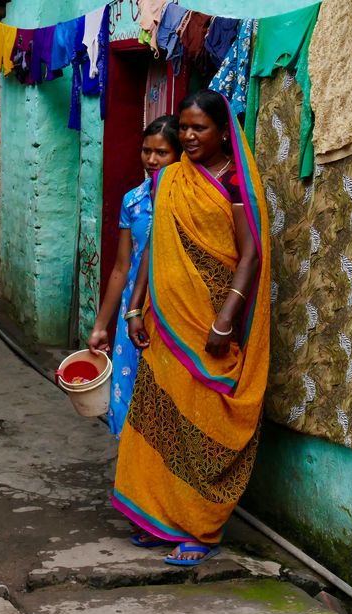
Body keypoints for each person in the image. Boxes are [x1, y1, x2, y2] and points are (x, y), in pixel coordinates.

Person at [116, 90, 271, 565]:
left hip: (209, 325)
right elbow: (154, 252)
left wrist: (225, 319)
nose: (187, 136)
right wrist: (135, 309)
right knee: (159, 417)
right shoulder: (169, 180)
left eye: (198, 128)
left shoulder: (235, 184)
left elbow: (250, 254)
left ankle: (201, 528)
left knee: (204, 422)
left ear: (223, 131)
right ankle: (160, 515)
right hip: (165, 323)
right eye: (182, 127)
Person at [87, 115, 181, 440]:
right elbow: (121, 267)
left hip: (174, 308)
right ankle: (132, 482)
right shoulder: (134, 201)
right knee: (128, 397)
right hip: (134, 312)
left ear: (180, 155)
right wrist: (101, 326)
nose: (151, 159)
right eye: (146, 151)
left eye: (162, 152)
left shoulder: (190, 200)